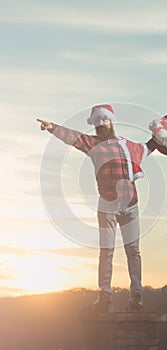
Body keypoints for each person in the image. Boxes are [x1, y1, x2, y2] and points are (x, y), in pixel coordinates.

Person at [37, 104, 157, 309]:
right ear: (94, 125)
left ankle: (137, 294)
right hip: (108, 205)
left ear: (111, 121)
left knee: (133, 251)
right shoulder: (93, 145)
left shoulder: (128, 145)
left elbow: (148, 147)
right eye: (98, 121)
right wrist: (52, 127)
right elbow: (72, 137)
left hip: (130, 205)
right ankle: (105, 294)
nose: (101, 124)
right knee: (106, 251)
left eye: (105, 120)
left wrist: (164, 132)